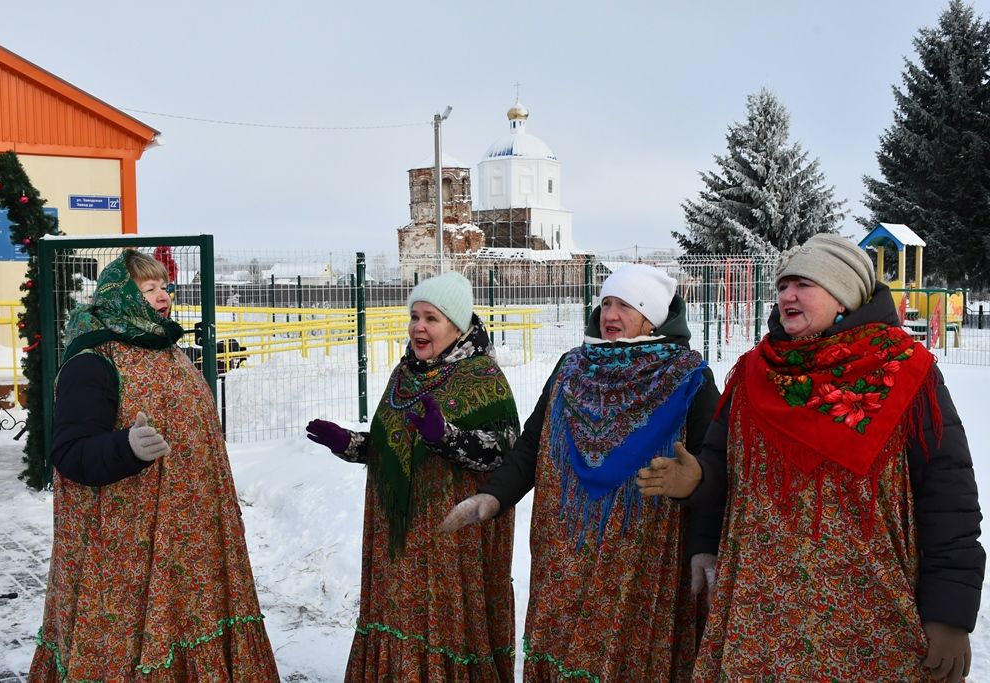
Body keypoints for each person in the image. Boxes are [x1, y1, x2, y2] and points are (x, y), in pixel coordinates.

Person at [641, 233, 984, 683]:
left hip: (868, 614)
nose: (787, 295)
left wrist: (949, 615)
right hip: (762, 612)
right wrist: (697, 483)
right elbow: (720, 469)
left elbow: (948, 497)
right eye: (783, 285)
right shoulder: (753, 373)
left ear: (842, 294)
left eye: (803, 283)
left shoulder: (905, 372)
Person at [443, 263, 720, 682]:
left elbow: (707, 466)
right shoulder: (571, 368)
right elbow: (534, 441)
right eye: (606, 303)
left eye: (625, 305)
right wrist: (494, 496)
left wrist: (703, 545)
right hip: (567, 544)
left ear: (654, 317)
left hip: (642, 552)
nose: (610, 314)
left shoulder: (689, 378)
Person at [29, 249, 280, 681]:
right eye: (149, 289)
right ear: (120, 298)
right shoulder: (93, 360)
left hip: (189, 538)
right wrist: (124, 447)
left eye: (164, 286)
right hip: (127, 549)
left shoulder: (163, 346)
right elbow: (70, 453)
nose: (163, 296)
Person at [306, 271, 520, 682]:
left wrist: (448, 438)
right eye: (414, 316)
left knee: (443, 621)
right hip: (398, 537)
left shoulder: (484, 378)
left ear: (457, 327)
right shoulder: (405, 375)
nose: (419, 327)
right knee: (399, 615)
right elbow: (393, 448)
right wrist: (348, 443)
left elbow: (505, 450)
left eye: (432, 319)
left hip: (450, 538)